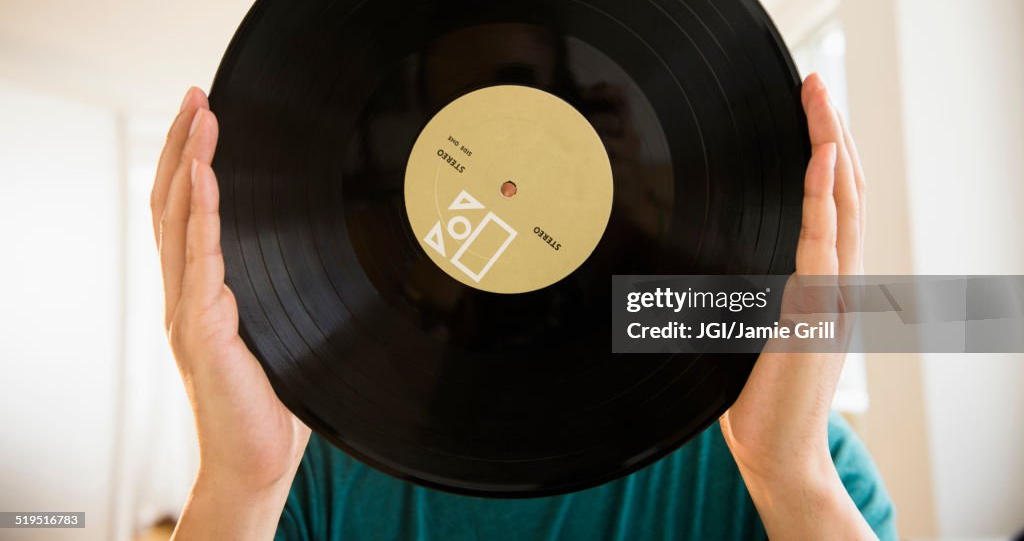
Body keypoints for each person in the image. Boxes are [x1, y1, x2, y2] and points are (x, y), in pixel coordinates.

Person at [151, 74, 895, 540]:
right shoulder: (309, 473)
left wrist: (791, 480)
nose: (512, 190)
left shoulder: (800, 465)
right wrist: (238, 486)